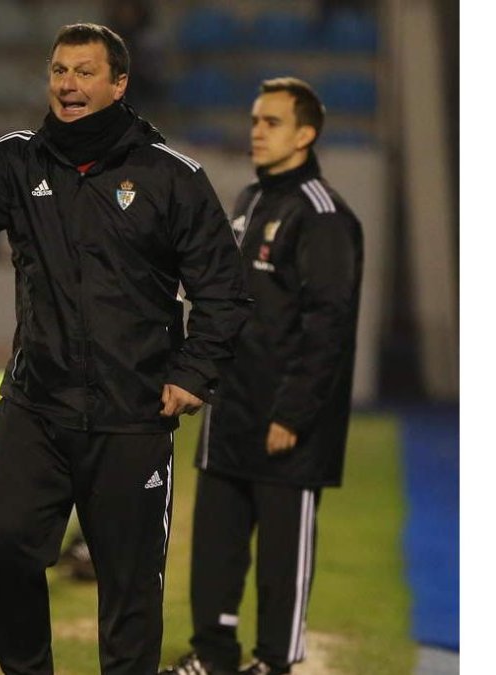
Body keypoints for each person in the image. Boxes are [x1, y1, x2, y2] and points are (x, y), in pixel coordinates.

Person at [0, 24, 250, 675]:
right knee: (6, 547)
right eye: (60, 70)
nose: (68, 83)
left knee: (130, 588)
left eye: (85, 72)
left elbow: (224, 291)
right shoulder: (18, 161)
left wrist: (195, 373)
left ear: (119, 83)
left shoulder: (171, 177)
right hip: (36, 407)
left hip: (132, 415)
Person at [159, 78, 365, 675]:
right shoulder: (250, 198)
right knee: (215, 550)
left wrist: (293, 413)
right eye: (255, 119)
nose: (257, 130)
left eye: (272, 122)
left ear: (306, 134)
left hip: (285, 423)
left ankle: (274, 663)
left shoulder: (324, 215)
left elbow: (329, 326)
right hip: (230, 411)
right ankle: (214, 657)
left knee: (281, 557)